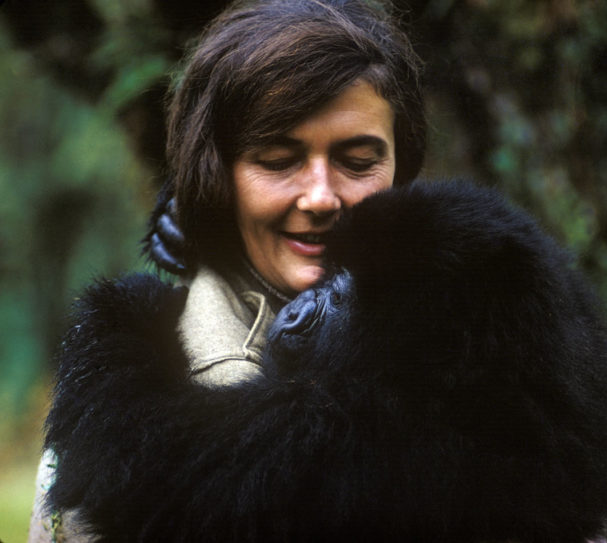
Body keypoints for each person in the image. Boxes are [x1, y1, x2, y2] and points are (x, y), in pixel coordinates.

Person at [28, 0, 424, 539]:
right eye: (276, 160)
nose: (321, 198)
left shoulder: (491, 336)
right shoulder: (126, 385)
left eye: (358, 163)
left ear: (403, 166)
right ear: (214, 176)